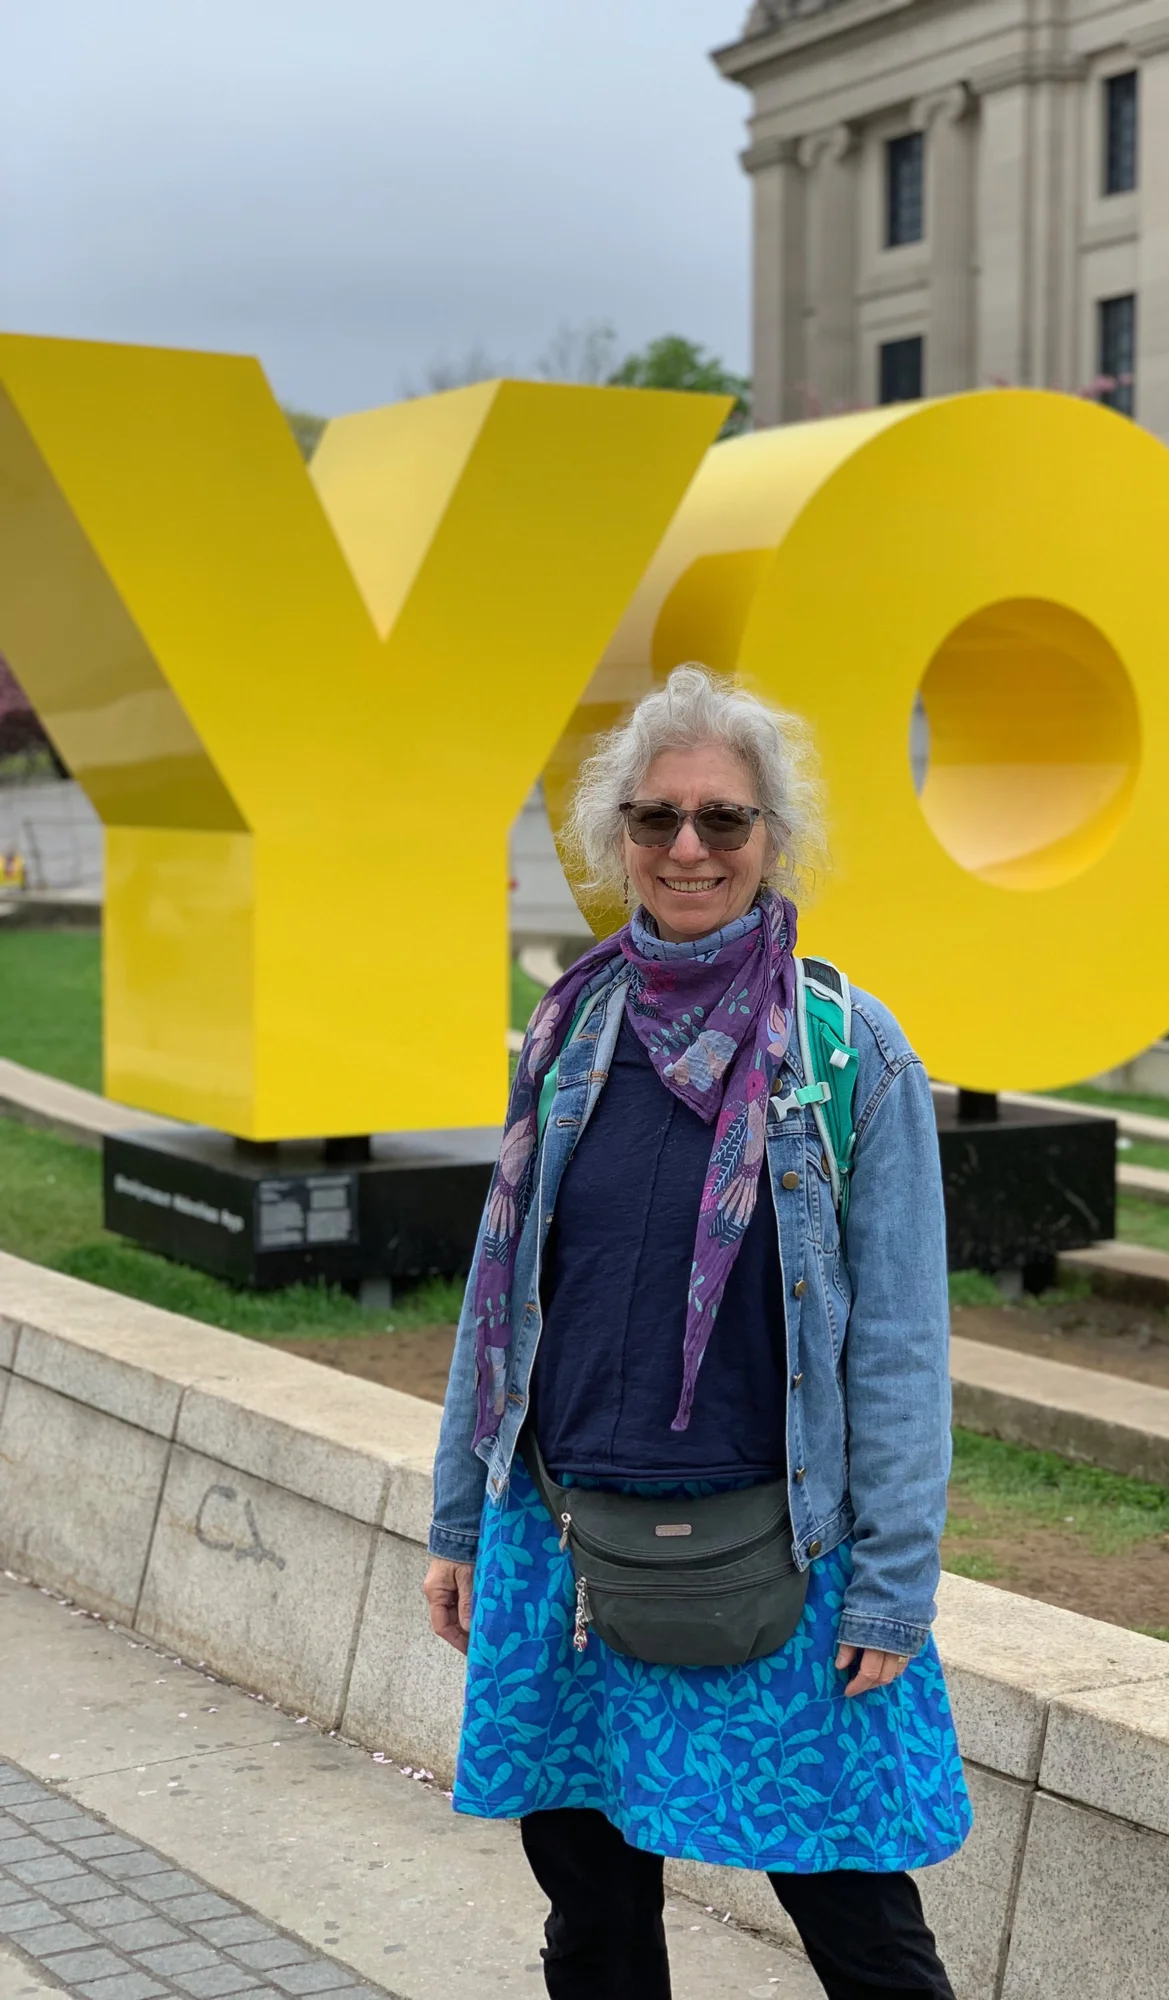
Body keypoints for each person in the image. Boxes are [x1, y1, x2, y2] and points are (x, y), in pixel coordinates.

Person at [424, 664, 968, 2000]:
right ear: (617, 838)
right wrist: (456, 1520)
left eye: (722, 821)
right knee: (595, 1930)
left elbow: (900, 1338)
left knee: (865, 1936)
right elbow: (502, 1298)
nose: (687, 848)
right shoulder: (570, 1030)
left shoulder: (847, 1051)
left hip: (785, 1565)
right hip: (566, 1557)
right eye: (657, 819)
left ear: (771, 839)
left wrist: (896, 1583)